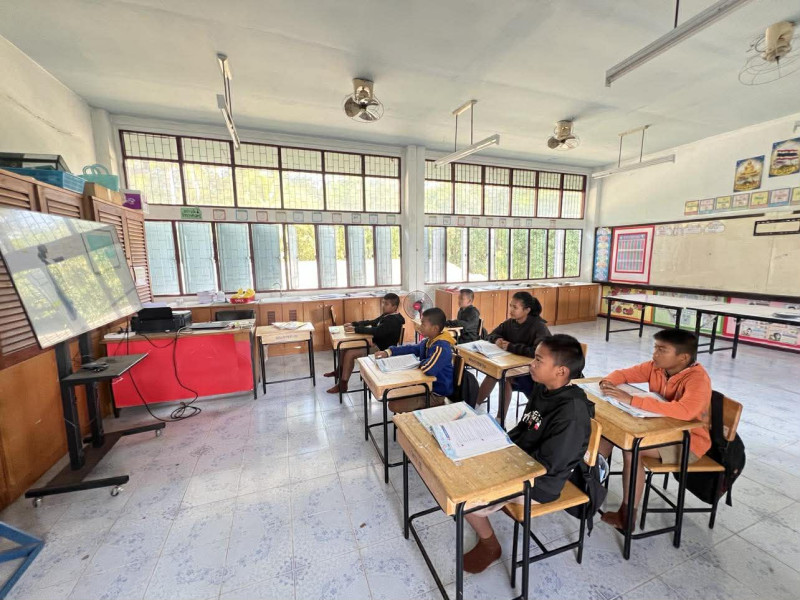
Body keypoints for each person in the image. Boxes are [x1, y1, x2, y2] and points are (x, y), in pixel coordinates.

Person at [463, 334, 593, 574]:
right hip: (521, 462)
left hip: (541, 482)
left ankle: (490, 545)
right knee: (466, 465)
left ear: (561, 371)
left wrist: (500, 468)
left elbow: (548, 466)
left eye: (538, 360)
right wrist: (498, 442)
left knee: (466, 495)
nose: (531, 364)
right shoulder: (543, 389)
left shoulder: (571, 414)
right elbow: (524, 428)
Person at [598, 328, 711, 531]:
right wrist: (607, 382)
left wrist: (633, 400)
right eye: (655, 348)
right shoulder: (656, 367)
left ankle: (627, 515)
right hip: (659, 431)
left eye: (662, 350)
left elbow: (686, 410)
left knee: (633, 449)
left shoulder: (698, 379)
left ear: (683, 357)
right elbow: (623, 374)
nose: (655, 354)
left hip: (688, 443)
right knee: (607, 432)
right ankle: (589, 484)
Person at [475, 292, 551, 422]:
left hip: (534, 373)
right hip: (516, 367)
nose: (511, 310)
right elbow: (490, 335)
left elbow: (538, 352)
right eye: (510, 306)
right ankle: (474, 407)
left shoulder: (539, 326)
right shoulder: (510, 323)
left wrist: (511, 347)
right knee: (494, 373)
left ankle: (500, 420)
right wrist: (497, 340)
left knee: (505, 376)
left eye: (515, 307)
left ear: (527, 310)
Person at [374, 307, 456, 412]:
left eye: (423, 324)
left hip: (435, 394)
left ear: (435, 328)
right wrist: (389, 352)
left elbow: (429, 369)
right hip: (423, 386)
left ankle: (416, 418)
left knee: (394, 405)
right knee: (393, 394)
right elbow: (412, 348)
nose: (420, 327)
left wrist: (416, 363)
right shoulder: (428, 341)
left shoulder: (441, 347)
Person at [325, 293, 405, 394]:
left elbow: (377, 331)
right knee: (344, 348)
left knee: (350, 353)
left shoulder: (393, 320)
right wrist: (354, 324)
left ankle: (343, 385)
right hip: (376, 343)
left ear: (394, 307)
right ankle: (339, 372)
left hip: (382, 349)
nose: (383, 306)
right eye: (383, 303)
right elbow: (372, 322)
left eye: (386, 304)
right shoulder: (387, 315)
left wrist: (355, 329)